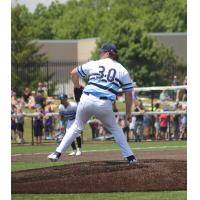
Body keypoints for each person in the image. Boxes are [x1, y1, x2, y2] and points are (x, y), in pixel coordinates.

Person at [48, 43, 137, 164]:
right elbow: (128, 93)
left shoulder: (94, 63)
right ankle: (130, 157)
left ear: (107, 53)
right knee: (116, 130)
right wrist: (128, 113)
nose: (100, 54)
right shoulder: (122, 70)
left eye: (102, 52)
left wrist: (77, 85)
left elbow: (73, 73)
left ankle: (56, 153)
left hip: (86, 99)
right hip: (104, 103)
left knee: (76, 126)